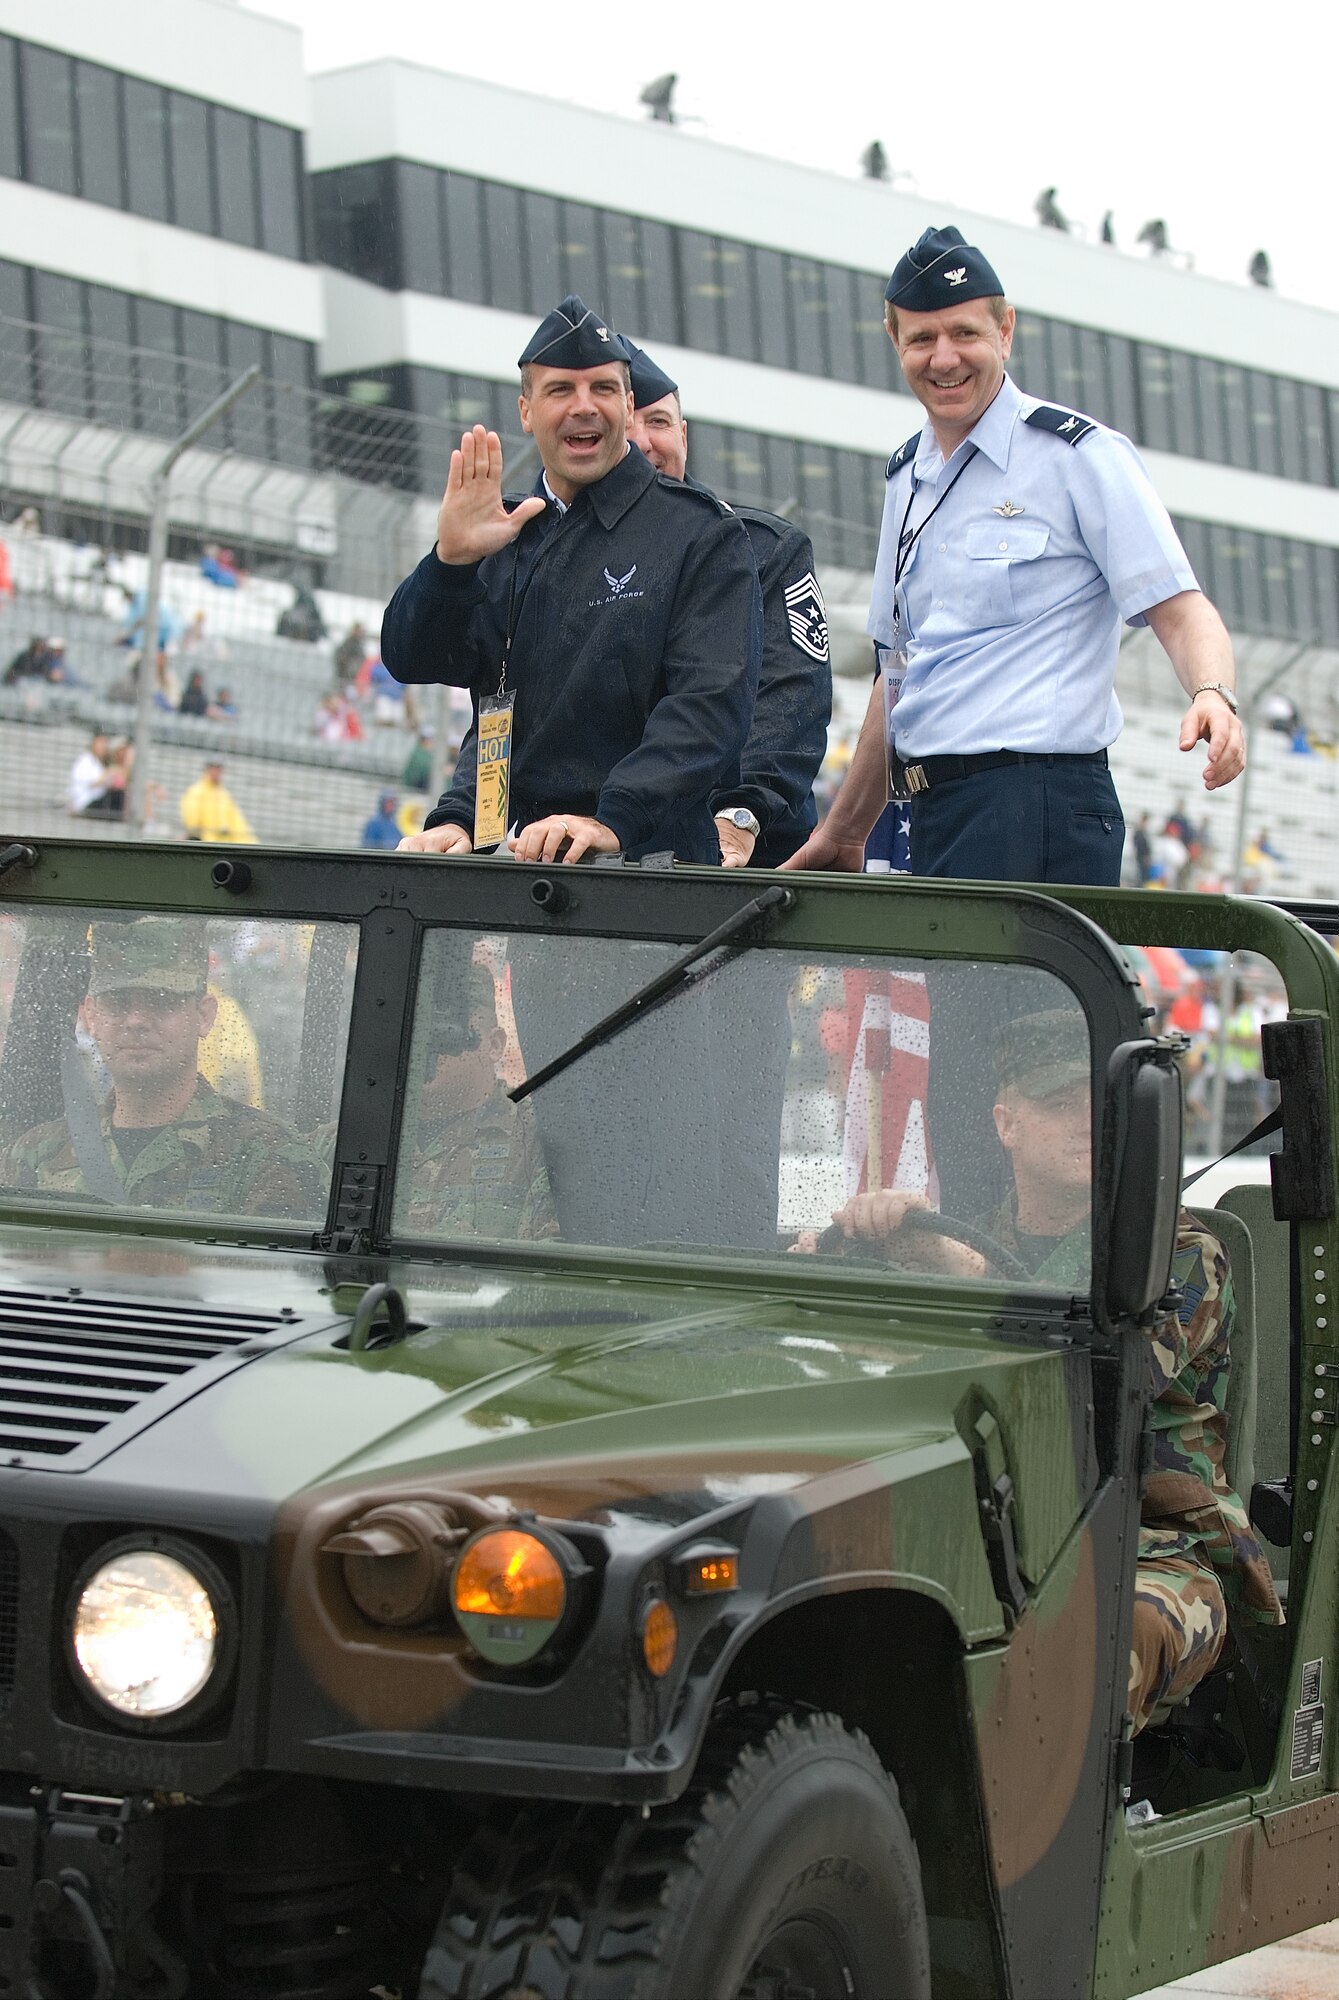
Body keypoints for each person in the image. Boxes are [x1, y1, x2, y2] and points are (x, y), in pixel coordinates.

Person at [823, 1009, 1284, 1730]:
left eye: (1101, 1104)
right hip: (972, 1533)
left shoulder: (1180, 1252)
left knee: (1078, 1655)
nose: (1084, 1123)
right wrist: (852, 1253)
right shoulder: (956, 1237)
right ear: (1007, 1124)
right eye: (1057, 1104)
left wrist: (965, 1279)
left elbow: (1090, 1383)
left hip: (1147, 1550)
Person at [784, 225, 1245, 887]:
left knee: (1017, 998)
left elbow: (1178, 608)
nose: (943, 358)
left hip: (1033, 804)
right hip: (930, 810)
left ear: (1005, 331)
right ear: (895, 344)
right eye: (921, 339)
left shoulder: (1077, 456)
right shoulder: (905, 479)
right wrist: (845, 828)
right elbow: (900, 670)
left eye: (964, 333)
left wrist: (1213, 693)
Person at [385, 293, 761, 866]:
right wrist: (450, 563)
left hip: (655, 871)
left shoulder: (701, 534)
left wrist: (613, 819)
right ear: (526, 411)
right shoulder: (507, 532)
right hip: (532, 872)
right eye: (561, 389)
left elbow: (709, 710)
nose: (584, 407)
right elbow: (422, 664)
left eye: (603, 389)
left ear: (628, 403)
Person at [623, 341, 832, 868]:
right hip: (615, 842)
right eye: (627, 429)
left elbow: (791, 697)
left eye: (660, 423)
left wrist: (744, 810)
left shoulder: (764, 550)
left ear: (684, 434)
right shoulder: (559, 553)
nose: (645, 444)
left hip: (745, 848)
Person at [1, 920, 327, 1220]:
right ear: (90, 1016)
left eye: (162, 1001)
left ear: (204, 1015)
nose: (136, 1021)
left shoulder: (268, 1155)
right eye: (117, 1003)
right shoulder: (35, 1153)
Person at [398, 962, 557, 1242]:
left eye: (447, 1031)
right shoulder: (357, 1137)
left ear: (494, 1044)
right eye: (418, 1028)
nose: (429, 1046)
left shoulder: (538, 1136)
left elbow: (550, 1265)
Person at [179, 761, 256, 844]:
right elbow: (192, 820)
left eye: (220, 770)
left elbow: (236, 821)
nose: (218, 773)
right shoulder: (196, 791)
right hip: (205, 843)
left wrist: (247, 842)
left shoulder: (224, 794)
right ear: (208, 770)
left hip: (222, 844)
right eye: (215, 769)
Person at [67, 733, 126, 818]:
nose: (103, 747)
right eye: (100, 743)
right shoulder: (85, 760)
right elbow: (91, 783)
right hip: (85, 802)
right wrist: (108, 773)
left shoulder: (100, 764)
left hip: (98, 800)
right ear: (93, 744)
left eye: (105, 744)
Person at [334, 620, 370, 688]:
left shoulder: (358, 644)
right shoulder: (349, 643)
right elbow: (341, 657)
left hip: (354, 677)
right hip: (347, 676)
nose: (361, 633)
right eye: (359, 631)